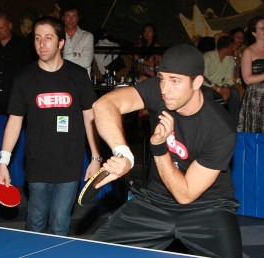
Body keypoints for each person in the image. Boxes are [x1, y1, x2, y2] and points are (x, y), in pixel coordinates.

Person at [91, 44, 242, 258]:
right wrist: (123, 154)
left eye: (175, 81)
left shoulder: (221, 129)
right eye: (161, 78)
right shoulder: (159, 90)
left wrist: (159, 148)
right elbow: (103, 105)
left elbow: (185, 194)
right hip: (155, 201)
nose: (164, 89)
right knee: (94, 252)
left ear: (197, 82)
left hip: (209, 208)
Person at [0, 16, 101, 236]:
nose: (42, 44)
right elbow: (14, 121)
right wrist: (3, 162)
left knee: (60, 226)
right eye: (37, 38)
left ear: (61, 42)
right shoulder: (24, 78)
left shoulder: (78, 76)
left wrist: (95, 157)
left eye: (48, 38)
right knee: (35, 224)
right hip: (37, 166)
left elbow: (90, 118)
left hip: (69, 166)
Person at [203, 35, 241, 124]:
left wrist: (226, 87)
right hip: (208, 87)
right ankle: (208, 122)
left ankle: (234, 123)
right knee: (207, 93)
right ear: (228, 48)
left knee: (234, 92)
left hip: (221, 86)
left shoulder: (230, 59)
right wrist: (219, 90)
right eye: (232, 46)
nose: (234, 49)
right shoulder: (207, 57)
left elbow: (228, 77)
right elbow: (204, 78)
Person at [237, 16, 264, 133]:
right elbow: (247, 79)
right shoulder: (249, 52)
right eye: (263, 28)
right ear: (254, 33)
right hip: (257, 98)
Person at [61, 3, 94, 77]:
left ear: (78, 18)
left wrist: (63, 59)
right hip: (62, 81)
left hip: (82, 82)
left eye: (74, 16)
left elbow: (86, 61)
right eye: (68, 15)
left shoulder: (87, 36)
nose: (71, 19)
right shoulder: (57, 36)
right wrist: (76, 55)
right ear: (63, 17)